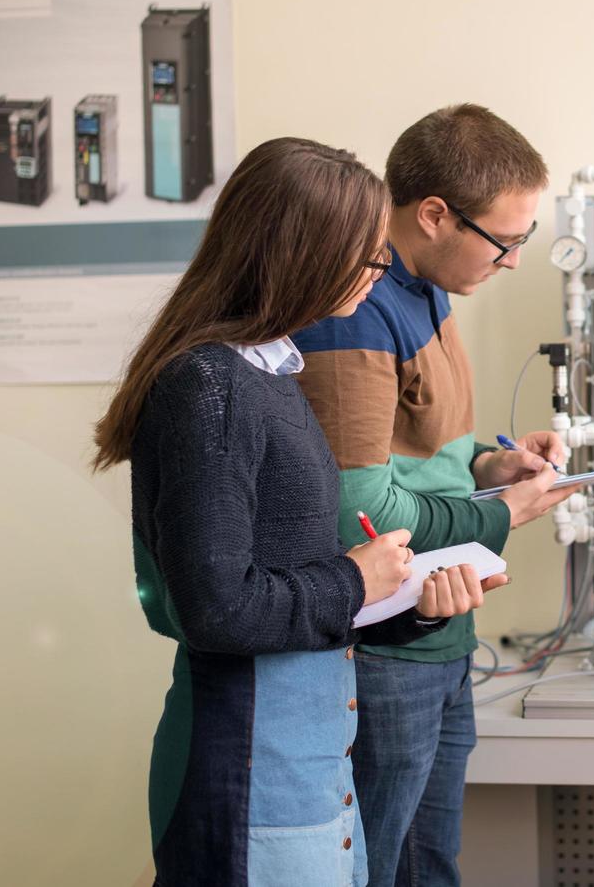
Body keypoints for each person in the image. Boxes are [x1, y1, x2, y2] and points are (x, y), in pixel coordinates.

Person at [92, 137, 506, 887]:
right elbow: (217, 608)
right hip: (249, 760)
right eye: (365, 256)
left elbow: (293, 582)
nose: (379, 274)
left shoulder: (269, 373)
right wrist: (355, 580)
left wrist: (411, 606)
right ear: (299, 255)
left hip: (311, 755)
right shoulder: (207, 387)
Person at [292, 105, 569, 887]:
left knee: (430, 865)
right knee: (383, 868)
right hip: (386, 652)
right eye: (506, 240)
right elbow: (356, 511)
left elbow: (420, 453)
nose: (514, 260)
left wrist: (492, 466)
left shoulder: (430, 285)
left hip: (442, 633)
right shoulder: (357, 307)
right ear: (435, 215)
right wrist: (499, 515)